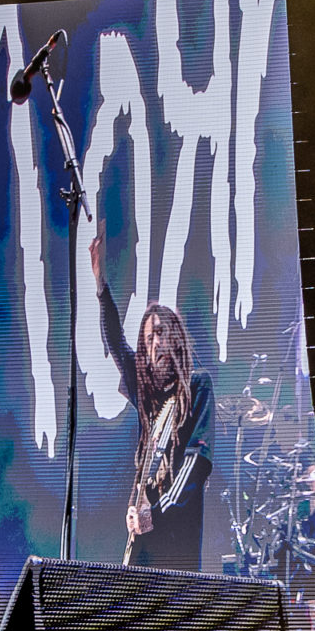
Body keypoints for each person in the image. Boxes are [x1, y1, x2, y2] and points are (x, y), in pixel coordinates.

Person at [89, 233, 213, 570]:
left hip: (175, 535)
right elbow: (117, 343)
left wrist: (157, 512)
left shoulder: (196, 385)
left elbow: (197, 461)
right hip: (143, 535)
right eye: (147, 338)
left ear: (175, 335)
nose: (154, 342)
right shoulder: (148, 396)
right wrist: (101, 285)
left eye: (160, 332)